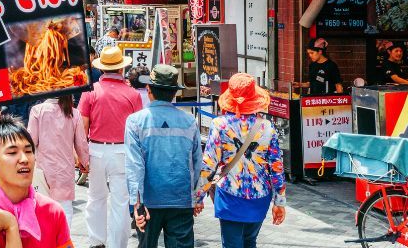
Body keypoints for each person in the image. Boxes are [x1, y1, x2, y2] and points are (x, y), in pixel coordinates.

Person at [0, 115, 74, 248]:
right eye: (12, 153)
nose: (24, 159)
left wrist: (11, 225)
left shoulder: (53, 211)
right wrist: (11, 227)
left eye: (28, 151)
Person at [199, 74, 286, 248]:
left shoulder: (220, 124)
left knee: (232, 243)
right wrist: (279, 202)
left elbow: (209, 164)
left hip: (230, 194)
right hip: (260, 195)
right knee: (250, 241)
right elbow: (277, 168)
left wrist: (198, 196)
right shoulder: (267, 127)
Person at [126, 65, 203, 248]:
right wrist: (197, 197)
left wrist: (136, 204)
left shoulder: (135, 121)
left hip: (149, 201)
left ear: (149, 90)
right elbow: (197, 162)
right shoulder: (189, 121)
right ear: (174, 93)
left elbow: (135, 165)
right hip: (181, 199)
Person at [79, 45, 142, 248]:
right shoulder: (132, 94)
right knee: (121, 202)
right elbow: (137, 130)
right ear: (121, 69)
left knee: (95, 198)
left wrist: (81, 156)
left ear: (102, 68)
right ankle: (118, 244)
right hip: (123, 151)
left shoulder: (90, 91)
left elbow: (83, 127)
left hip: (96, 149)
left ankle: (96, 241)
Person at [27, 94, 88, 208]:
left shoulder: (37, 110)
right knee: (65, 210)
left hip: (42, 169)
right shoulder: (73, 113)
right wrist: (85, 162)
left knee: (43, 209)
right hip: (65, 170)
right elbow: (81, 143)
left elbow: (30, 142)